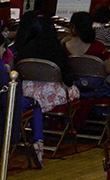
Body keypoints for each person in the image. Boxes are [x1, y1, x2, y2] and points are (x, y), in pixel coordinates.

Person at [14, 13, 77, 166]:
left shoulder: (23, 49)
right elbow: (68, 78)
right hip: (51, 94)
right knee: (75, 90)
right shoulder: (57, 49)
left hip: (27, 92)